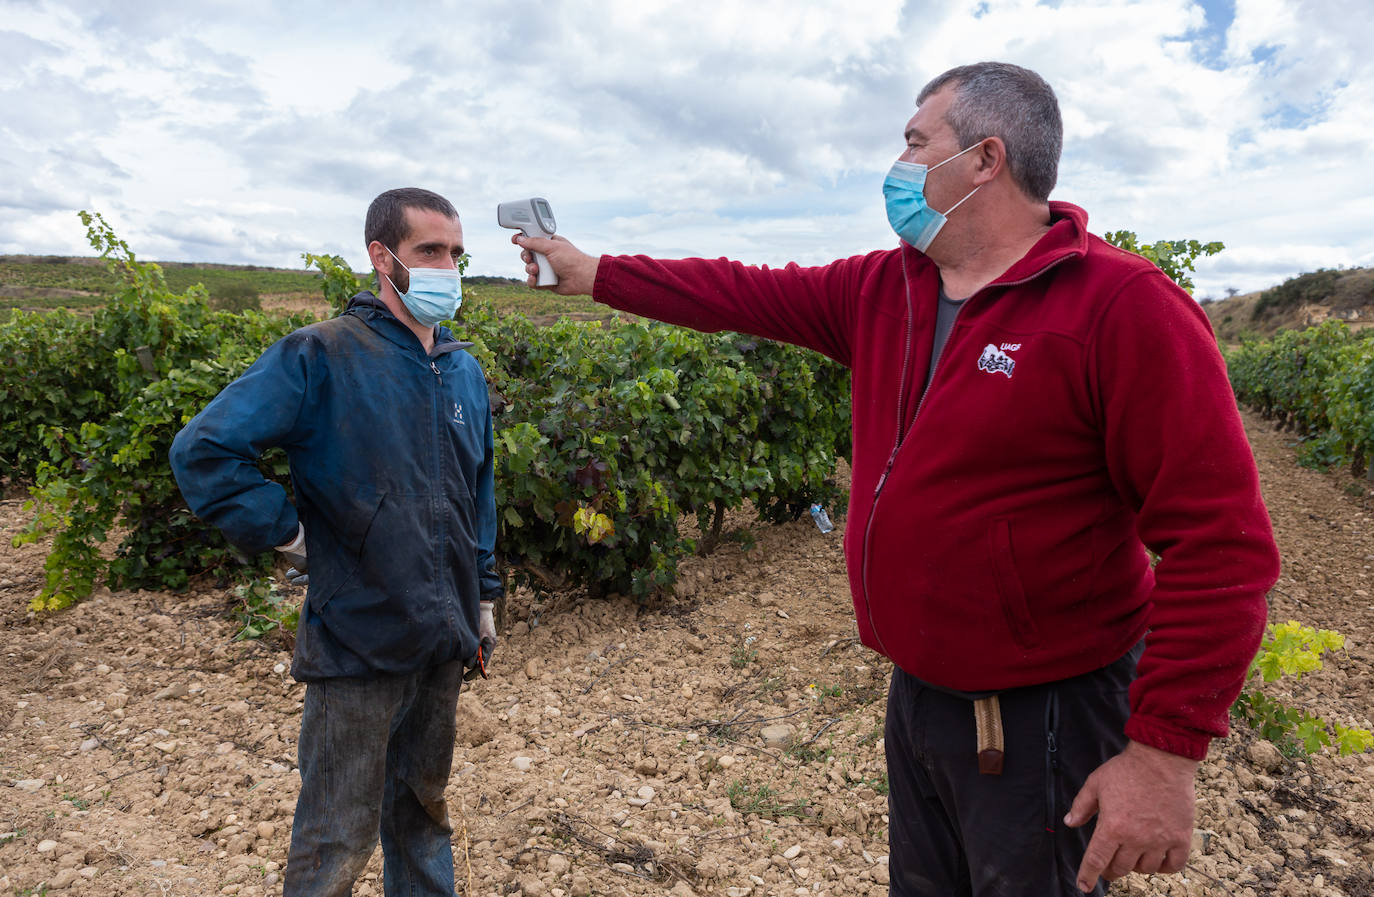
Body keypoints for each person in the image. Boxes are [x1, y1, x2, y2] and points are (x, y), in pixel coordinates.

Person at [512, 63, 1280, 896]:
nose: (898, 163)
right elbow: (739, 291)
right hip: (921, 695)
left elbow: (1219, 545)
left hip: (1043, 711)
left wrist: (1164, 754)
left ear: (984, 160)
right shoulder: (888, 288)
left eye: (916, 143)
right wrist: (593, 274)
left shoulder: (1120, 307)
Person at [170, 187, 501, 897]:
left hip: (442, 636)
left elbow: (479, 496)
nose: (448, 266)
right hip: (357, 638)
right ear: (383, 257)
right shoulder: (321, 355)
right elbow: (204, 450)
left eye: (456, 252)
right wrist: (290, 535)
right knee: (336, 834)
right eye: (430, 251)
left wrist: (483, 601)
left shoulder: (462, 370)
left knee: (422, 813)